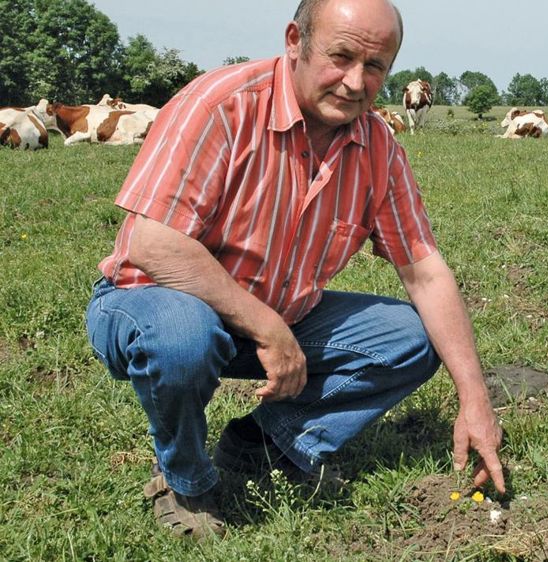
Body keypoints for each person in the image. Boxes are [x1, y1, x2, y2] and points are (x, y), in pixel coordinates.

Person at [85, 0, 504, 539]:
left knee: (414, 337)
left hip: (280, 316)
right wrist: (268, 327)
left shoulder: (377, 146)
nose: (356, 82)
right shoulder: (221, 105)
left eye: (375, 67)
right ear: (294, 41)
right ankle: (183, 478)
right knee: (183, 336)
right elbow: (154, 244)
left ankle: (263, 443)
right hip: (151, 300)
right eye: (341, 56)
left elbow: (426, 271)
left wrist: (474, 399)